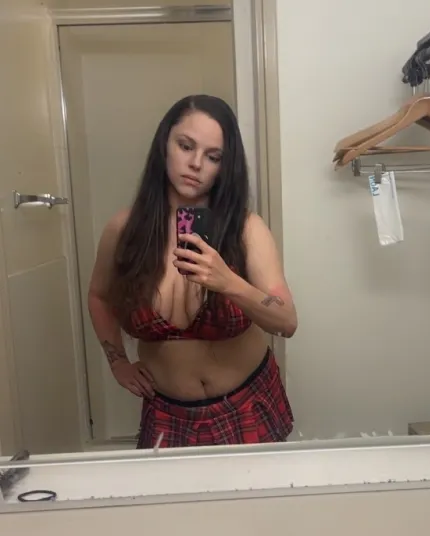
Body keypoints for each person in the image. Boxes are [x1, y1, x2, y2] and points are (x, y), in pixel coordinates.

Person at [88, 95, 297, 448]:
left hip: (246, 405)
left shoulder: (245, 229)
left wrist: (228, 282)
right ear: (164, 145)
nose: (196, 164)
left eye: (213, 156)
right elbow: (99, 296)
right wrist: (118, 362)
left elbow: (286, 321)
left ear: (225, 166)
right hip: (167, 415)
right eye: (186, 146)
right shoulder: (124, 230)